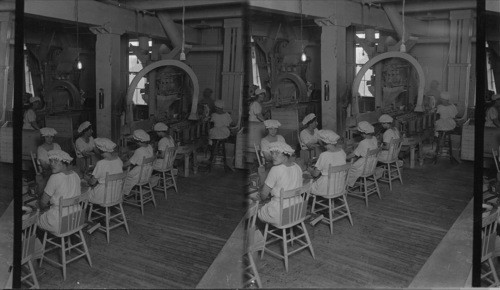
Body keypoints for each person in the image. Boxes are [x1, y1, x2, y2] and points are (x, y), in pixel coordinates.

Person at [257, 142, 303, 225]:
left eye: (277, 153)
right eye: (272, 153)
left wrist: (261, 176)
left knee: (258, 210)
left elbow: (263, 196)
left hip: (281, 216)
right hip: (297, 211)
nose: (273, 156)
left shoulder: (276, 169)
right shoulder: (297, 167)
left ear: (286, 155)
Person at [37, 149, 81, 234]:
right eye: (51, 161)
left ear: (64, 163)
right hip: (76, 219)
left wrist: (40, 205)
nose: (52, 164)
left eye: (56, 161)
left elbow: (43, 203)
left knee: (34, 217)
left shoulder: (55, 177)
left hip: (59, 223)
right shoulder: (75, 175)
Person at [308, 130, 347, 196]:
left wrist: (310, 170)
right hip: (340, 187)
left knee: (307, 186)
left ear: (322, 142)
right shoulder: (342, 152)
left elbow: (315, 174)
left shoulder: (324, 155)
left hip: (326, 189)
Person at [86, 138, 123, 204]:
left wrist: (87, 179)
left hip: (103, 197)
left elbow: (92, 182)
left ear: (100, 150)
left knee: (85, 193)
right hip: (117, 195)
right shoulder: (119, 160)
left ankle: (86, 212)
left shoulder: (101, 163)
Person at [122, 129, 154, 196]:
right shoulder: (150, 147)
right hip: (147, 174)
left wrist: (119, 164)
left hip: (139, 176)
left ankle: (122, 194)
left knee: (123, 176)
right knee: (131, 170)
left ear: (138, 142)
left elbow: (127, 164)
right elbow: (143, 154)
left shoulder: (139, 151)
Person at [346, 121, 379, 187]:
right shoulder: (374, 138)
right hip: (372, 165)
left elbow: (353, 154)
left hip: (364, 167)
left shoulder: (363, 142)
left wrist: (345, 157)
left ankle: (346, 186)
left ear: (363, 134)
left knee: (349, 169)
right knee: (355, 162)